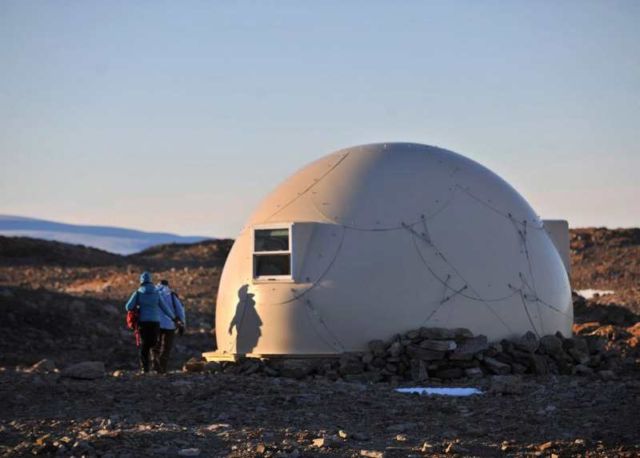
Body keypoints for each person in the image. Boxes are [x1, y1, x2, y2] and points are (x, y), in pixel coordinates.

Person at [124, 272, 181, 374]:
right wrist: (174, 318)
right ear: (150, 281)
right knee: (153, 343)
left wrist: (138, 305)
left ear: (141, 281)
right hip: (155, 323)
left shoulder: (137, 293)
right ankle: (155, 363)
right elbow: (165, 308)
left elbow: (128, 307)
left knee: (144, 346)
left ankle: (144, 369)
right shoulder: (156, 294)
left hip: (143, 323)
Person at [152, 279, 186, 374]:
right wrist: (182, 324)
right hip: (169, 325)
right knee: (166, 347)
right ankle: (162, 368)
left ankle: (155, 364)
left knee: (155, 345)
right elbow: (180, 310)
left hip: (155, 324)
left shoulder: (152, 294)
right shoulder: (171, 295)